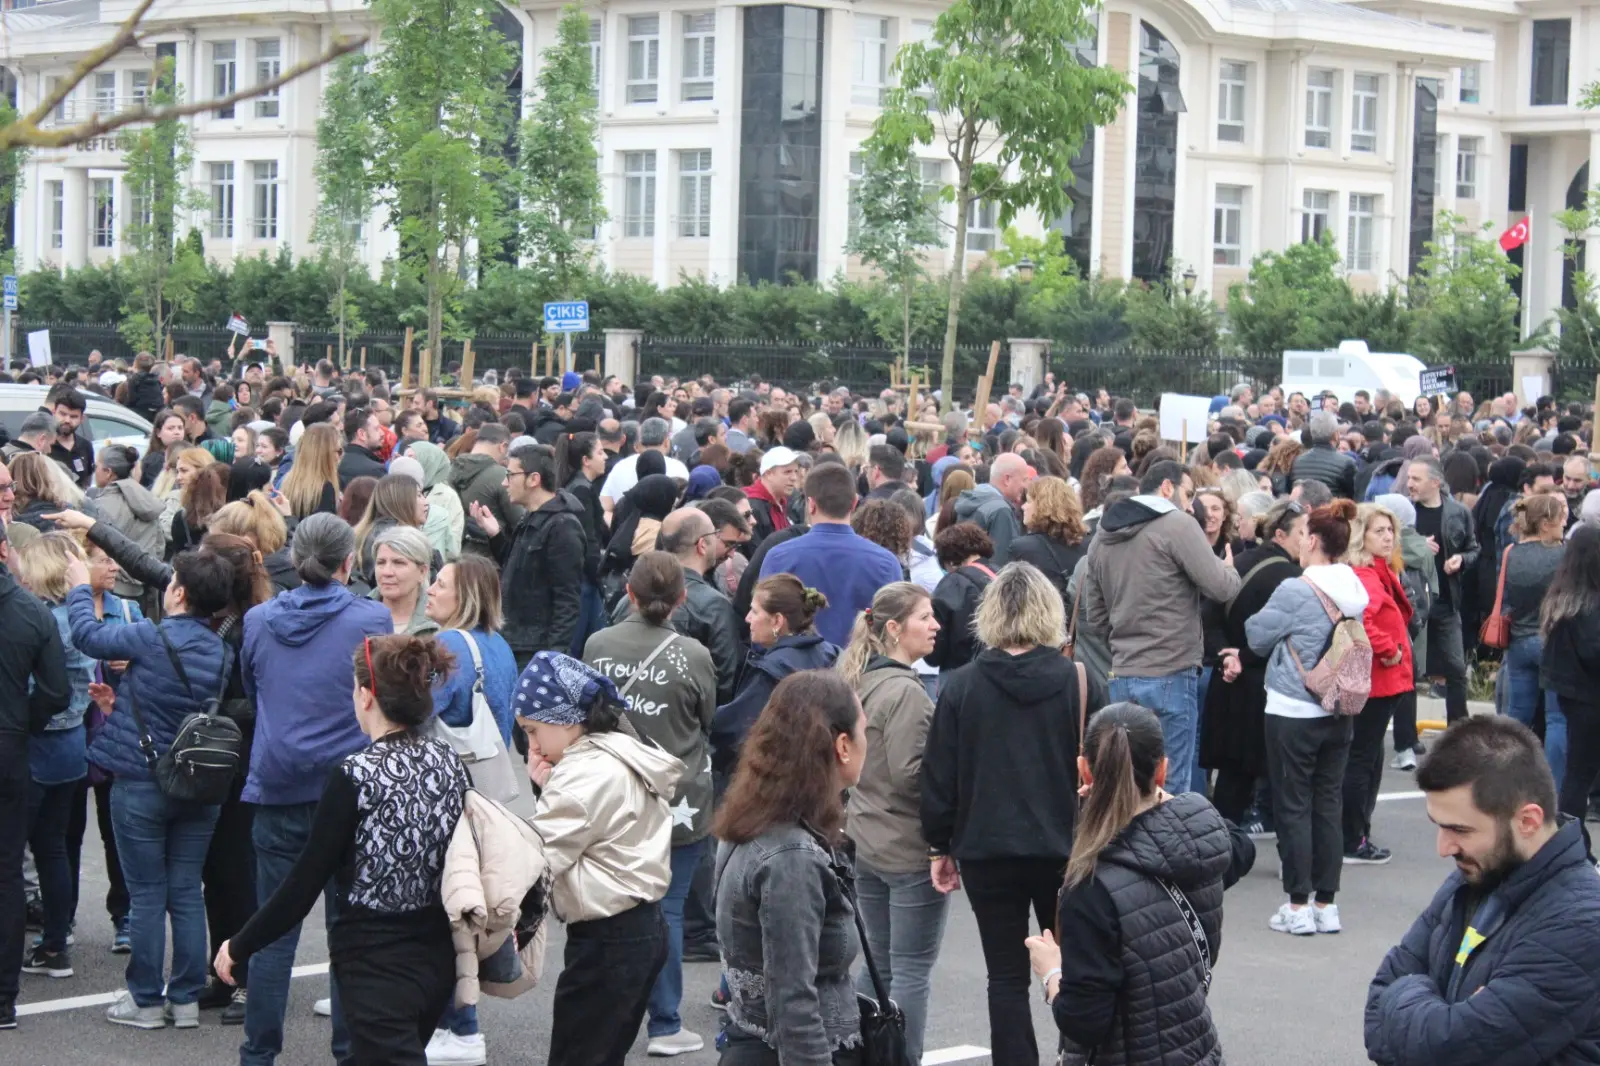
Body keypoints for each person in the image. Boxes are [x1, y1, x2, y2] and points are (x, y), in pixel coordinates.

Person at [216, 635, 469, 1066]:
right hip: (437, 956)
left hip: (373, 960)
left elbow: (303, 884)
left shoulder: (355, 775)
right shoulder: (448, 760)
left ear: (366, 695)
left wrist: (240, 945)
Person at [238, 514, 393, 1065]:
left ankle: (257, 1055)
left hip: (278, 784)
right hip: (350, 792)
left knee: (272, 933)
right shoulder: (371, 617)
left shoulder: (258, 621)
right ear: (349, 562)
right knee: (347, 935)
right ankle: (349, 1053)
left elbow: (252, 691)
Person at [65, 547, 236, 1028]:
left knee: (145, 894)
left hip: (142, 779)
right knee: (185, 890)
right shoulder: (222, 649)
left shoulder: (151, 636)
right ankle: (183, 998)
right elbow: (175, 706)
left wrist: (81, 586)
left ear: (178, 592)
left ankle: (143, 999)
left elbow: (87, 635)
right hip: (197, 782)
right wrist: (121, 704)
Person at [921, 563, 1085, 1066]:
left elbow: (940, 775)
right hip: (1066, 847)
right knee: (1077, 966)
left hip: (987, 847)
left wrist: (939, 844)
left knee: (1005, 976)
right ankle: (1078, 1053)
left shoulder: (964, 686)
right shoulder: (1078, 680)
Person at [1027, 703, 1252, 1066]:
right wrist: (1158, 795)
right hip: (1198, 1050)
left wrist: (1051, 972)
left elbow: (1085, 1022)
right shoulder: (1201, 845)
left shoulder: (1090, 888)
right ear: (1162, 770)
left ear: (1083, 769)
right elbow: (1240, 844)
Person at [1366, 716, 1600, 1065]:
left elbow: (1445, 1052)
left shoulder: (1581, 922)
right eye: (1439, 827)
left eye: (1459, 829)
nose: (1443, 848)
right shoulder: (1472, 878)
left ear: (1528, 821)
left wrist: (1414, 999)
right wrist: (1443, 1012)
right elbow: (1376, 1007)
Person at [514, 652, 680, 1066]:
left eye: (534, 731)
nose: (532, 746)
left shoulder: (582, 776)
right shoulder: (620, 748)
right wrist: (547, 788)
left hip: (608, 940)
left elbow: (539, 860)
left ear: (567, 719)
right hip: (642, 926)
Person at [582, 551, 716, 1057]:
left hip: (614, 794)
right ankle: (665, 1022)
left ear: (629, 595)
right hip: (678, 797)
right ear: (682, 598)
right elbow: (707, 719)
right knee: (670, 911)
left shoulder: (598, 645)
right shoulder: (694, 654)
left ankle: (607, 1014)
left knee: (611, 907)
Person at [714, 669, 866, 1066]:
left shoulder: (749, 822)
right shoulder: (791, 857)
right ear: (843, 745)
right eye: (867, 731)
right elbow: (793, 1002)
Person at [1083, 460, 1241, 794]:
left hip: (1124, 673)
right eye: (1188, 493)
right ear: (1167, 488)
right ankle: (1167, 848)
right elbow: (1222, 587)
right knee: (1171, 784)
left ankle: (1131, 846)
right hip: (1171, 669)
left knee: (1128, 784)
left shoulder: (1102, 535)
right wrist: (1228, 568)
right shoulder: (1177, 524)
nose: (1191, 504)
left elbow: (1095, 616)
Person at [1245, 500, 1367, 936]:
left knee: (1292, 804)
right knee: (1327, 803)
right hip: (1338, 706)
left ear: (1312, 540)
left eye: (1302, 535)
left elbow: (1258, 637)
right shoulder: (1355, 588)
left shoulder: (1297, 589)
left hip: (1293, 707)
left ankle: (1296, 905)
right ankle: (1325, 903)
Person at [839, 582, 945, 1066]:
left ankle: (863, 1052)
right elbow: (911, 775)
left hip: (866, 837)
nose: (936, 625)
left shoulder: (863, 679)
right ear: (895, 628)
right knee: (910, 970)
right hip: (905, 846)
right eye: (926, 617)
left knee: (877, 964)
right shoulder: (905, 692)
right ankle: (903, 1058)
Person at [9, 534, 95, 983]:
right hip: (73, 742)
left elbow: (32, 688)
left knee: (12, 851)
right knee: (55, 850)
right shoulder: (80, 620)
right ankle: (57, 943)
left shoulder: (38, 620)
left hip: (37, 741)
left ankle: (34, 945)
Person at [1203, 499, 1306, 828]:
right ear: (1280, 534)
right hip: (1264, 682)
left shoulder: (1239, 561)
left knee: (1232, 772)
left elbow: (1209, 618)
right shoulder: (1292, 577)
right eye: (1303, 533)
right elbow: (1283, 634)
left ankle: (1222, 836)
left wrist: (1226, 655)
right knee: (1270, 768)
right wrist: (1243, 657)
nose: (1308, 540)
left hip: (1229, 677)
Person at [1341, 503, 1414, 865]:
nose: (1388, 537)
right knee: (1362, 758)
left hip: (1384, 679)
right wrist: (1390, 651)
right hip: (1377, 679)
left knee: (1368, 757)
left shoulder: (1380, 571)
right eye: (1379, 531)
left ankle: (1356, 831)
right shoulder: (1366, 575)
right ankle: (1351, 837)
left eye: (1390, 531)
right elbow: (1363, 620)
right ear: (1362, 536)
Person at [759, 463, 902, 647]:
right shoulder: (886, 563)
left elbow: (762, 626)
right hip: (862, 670)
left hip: (793, 669)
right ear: (854, 503)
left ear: (810, 504)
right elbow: (895, 630)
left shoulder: (779, 557)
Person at [472, 443, 587, 668]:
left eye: (510, 475)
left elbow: (567, 599)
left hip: (534, 650)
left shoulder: (562, 526)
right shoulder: (531, 517)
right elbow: (517, 566)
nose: (505, 483)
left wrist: (553, 659)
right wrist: (495, 534)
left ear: (534, 479)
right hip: (513, 640)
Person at [711, 575, 838, 773]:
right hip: (818, 774)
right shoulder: (830, 653)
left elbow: (735, 728)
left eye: (754, 611)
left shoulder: (771, 670)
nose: (747, 618)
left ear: (777, 620)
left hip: (773, 778)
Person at [1405, 456, 1479, 724]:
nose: (1409, 483)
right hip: (1412, 604)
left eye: (1416, 479)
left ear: (1435, 482)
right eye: (1409, 477)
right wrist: (1415, 546)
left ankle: (1458, 729)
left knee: (1456, 668)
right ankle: (1407, 736)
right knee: (1410, 671)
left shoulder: (1458, 512)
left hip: (1447, 602)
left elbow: (1473, 549)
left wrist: (1461, 560)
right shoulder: (1404, 512)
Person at [1501, 493, 1567, 789]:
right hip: (1551, 638)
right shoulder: (1562, 555)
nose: (1564, 522)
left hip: (1517, 640)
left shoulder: (1510, 553)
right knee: (1557, 719)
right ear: (1545, 524)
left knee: (1517, 714)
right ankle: (1551, 784)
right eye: (1560, 518)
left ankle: (1504, 774)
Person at [89, 444, 166, 603]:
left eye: (96, 466)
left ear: (108, 472)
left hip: (114, 588)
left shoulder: (99, 505)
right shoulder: (148, 500)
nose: (93, 471)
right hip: (146, 585)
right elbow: (159, 543)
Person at [1006, 475, 1088, 604]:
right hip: (1081, 620)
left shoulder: (1022, 548)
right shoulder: (1087, 542)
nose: (1023, 507)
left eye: (1028, 501)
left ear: (1042, 506)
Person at [925, 523, 995, 674]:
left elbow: (934, 653)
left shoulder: (952, 584)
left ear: (950, 561)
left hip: (959, 672)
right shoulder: (1003, 573)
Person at [449, 424, 519, 559]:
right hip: (490, 563)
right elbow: (519, 522)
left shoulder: (448, 469)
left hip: (455, 560)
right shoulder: (501, 476)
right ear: (503, 446)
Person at [952, 452, 1030, 565]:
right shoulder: (1001, 510)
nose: (1025, 486)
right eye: (1024, 480)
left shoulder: (975, 498)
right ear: (1007, 479)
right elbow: (1001, 563)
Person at [371, 525, 438, 636]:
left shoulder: (441, 623)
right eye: (381, 562)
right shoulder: (354, 617)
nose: (387, 572)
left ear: (422, 572)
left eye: (398, 563)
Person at [407, 441, 465, 564]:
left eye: (411, 458)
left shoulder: (448, 496)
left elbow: (453, 547)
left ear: (428, 461)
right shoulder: (400, 492)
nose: (407, 463)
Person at [279, 422, 342, 520]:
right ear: (325, 454)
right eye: (338, 451)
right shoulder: (325, 489)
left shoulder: (287, 482)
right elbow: (324, 532)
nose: (339, 457)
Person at [743, 446, 801, 549]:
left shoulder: (784, 502)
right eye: (787, 472)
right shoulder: (751, 506)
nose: (794, 478)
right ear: (769, 474)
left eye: (796, 471)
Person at [1290, 411, 1358, 498]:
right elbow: (1353, 496)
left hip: (1303, 510)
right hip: (1331, 509)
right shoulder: (1347, 463)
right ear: (1336, 435)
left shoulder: (1297, 462)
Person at [336, 408, 387, 488]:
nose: (382, 433)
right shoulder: (375, 470)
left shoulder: (335, 463)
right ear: (362, 434)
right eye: (376, 429)